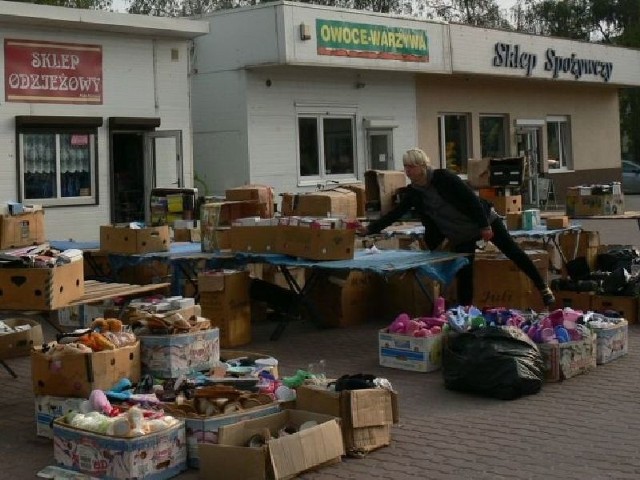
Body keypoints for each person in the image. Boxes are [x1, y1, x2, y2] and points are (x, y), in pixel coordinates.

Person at [361, 147, 555, 307]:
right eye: (405, 167)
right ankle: (465, 311)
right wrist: (370, 229)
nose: (407, 171)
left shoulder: (443, 178)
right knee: (464, 273)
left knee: (512, 250)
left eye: (410, 166)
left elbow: (472, 200)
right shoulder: (413, 192)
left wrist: (485, 226)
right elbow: (396, 213)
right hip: (460, 235)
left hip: (483, 220)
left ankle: (542, 286)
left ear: (422, 166)